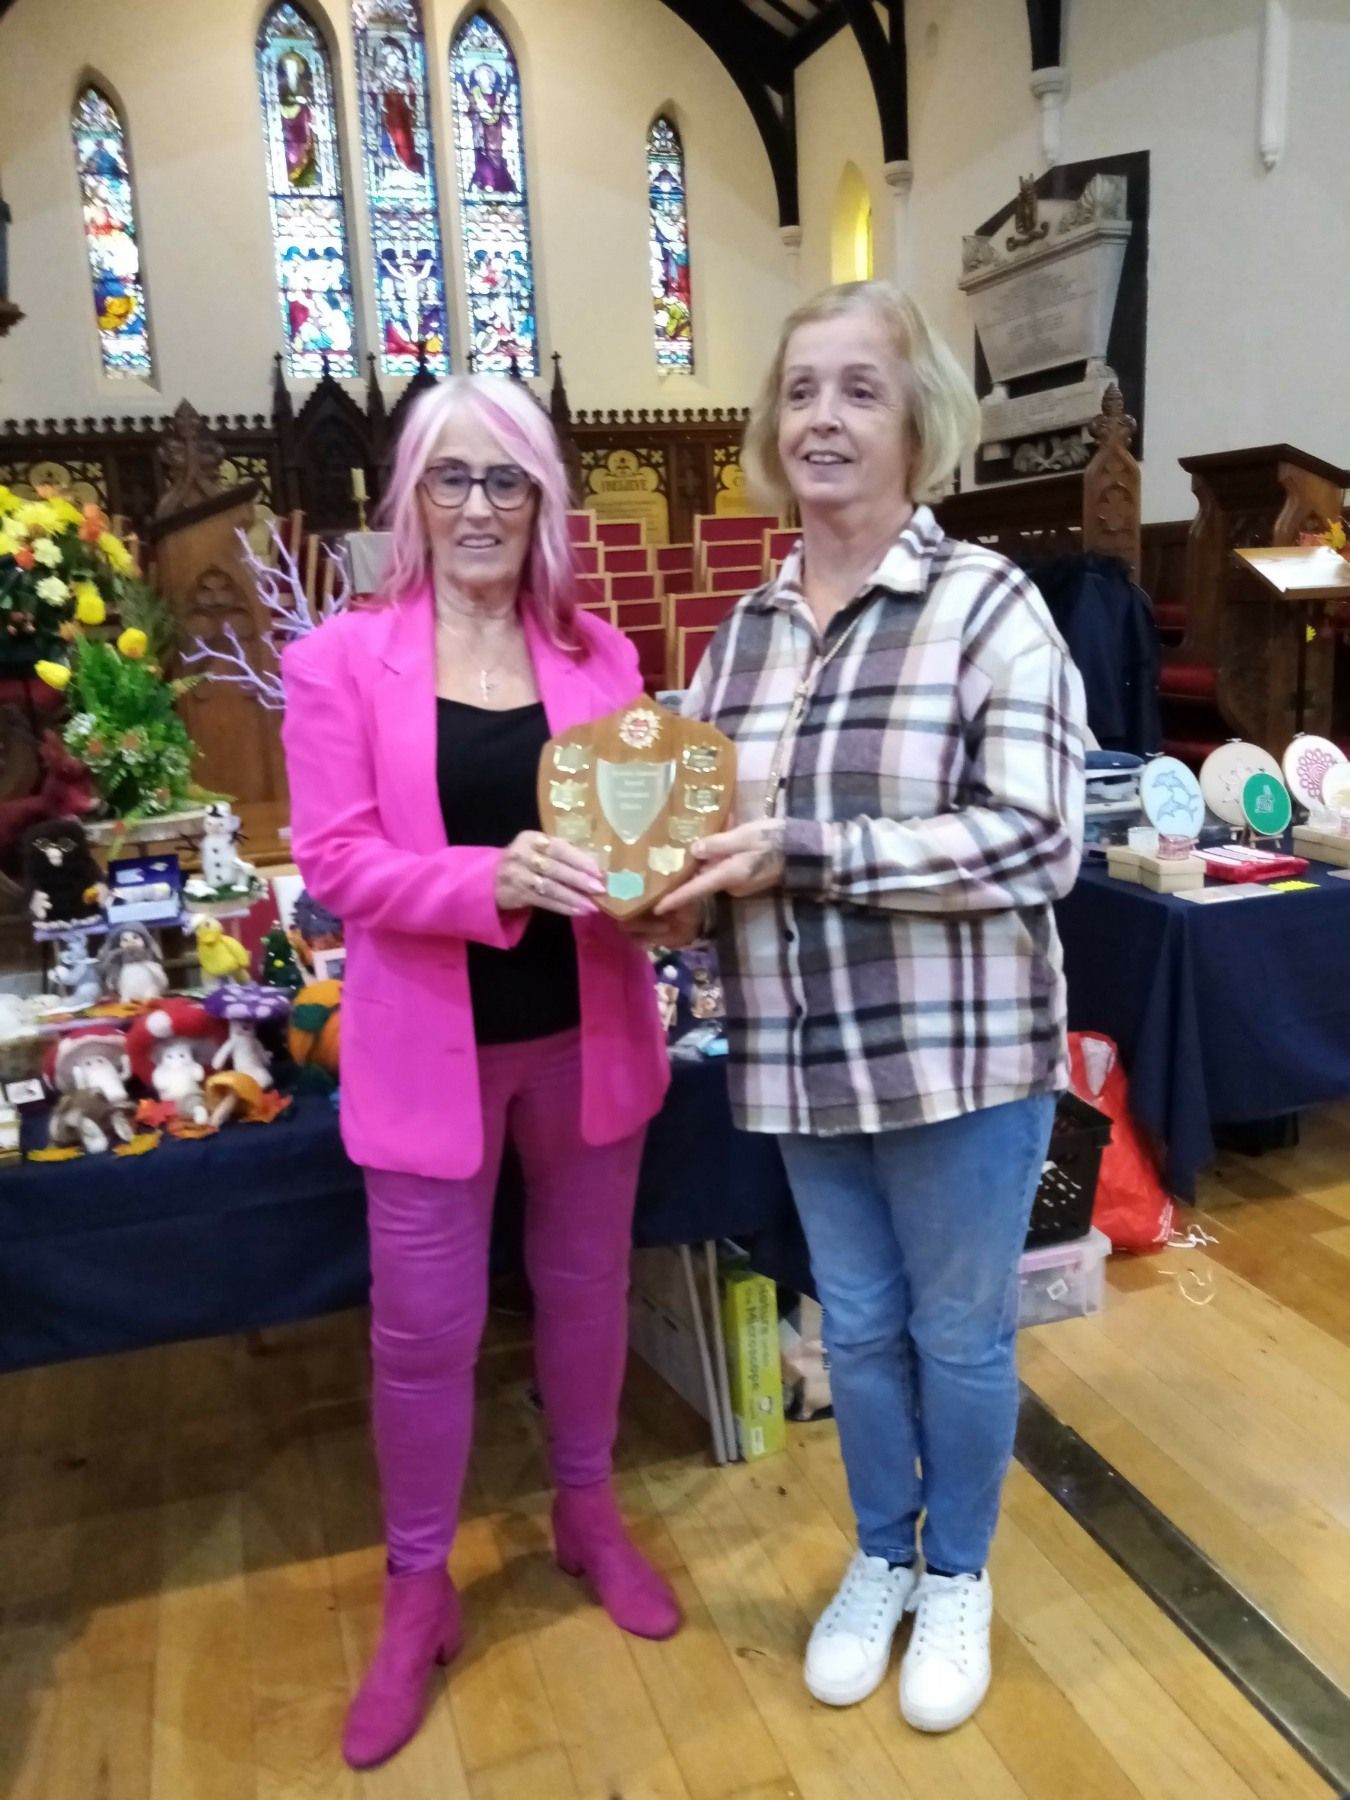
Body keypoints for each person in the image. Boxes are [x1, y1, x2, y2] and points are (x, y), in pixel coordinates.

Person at [657, 281, 1086, 1734]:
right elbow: (695, 824)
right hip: (791, 1053)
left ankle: (955, 1570)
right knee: (853, 1328)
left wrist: (808, 850)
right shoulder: (741, 639)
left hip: (959, 1053)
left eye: (856, 388)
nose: (822, 418)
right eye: (798, 392)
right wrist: (672, 888)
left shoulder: (986, 606)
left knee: (959, 1334)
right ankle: (880, 1558)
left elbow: (1038, 840)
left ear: (916, 421)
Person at [282, 374, 680, 1773]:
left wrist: (663, 894)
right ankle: (415, 1590)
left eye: (504, 479)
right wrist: (485, 877)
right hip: (427, 1051)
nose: (476, 507)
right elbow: (331, 861)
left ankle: (586, 1513)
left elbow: (638, 843)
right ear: (407, 497)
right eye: (448, 479)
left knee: (584, 1291)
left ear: (543, 500)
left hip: (588, 1029)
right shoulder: (342, 658)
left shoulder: (600, 656)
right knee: (424, 1334)